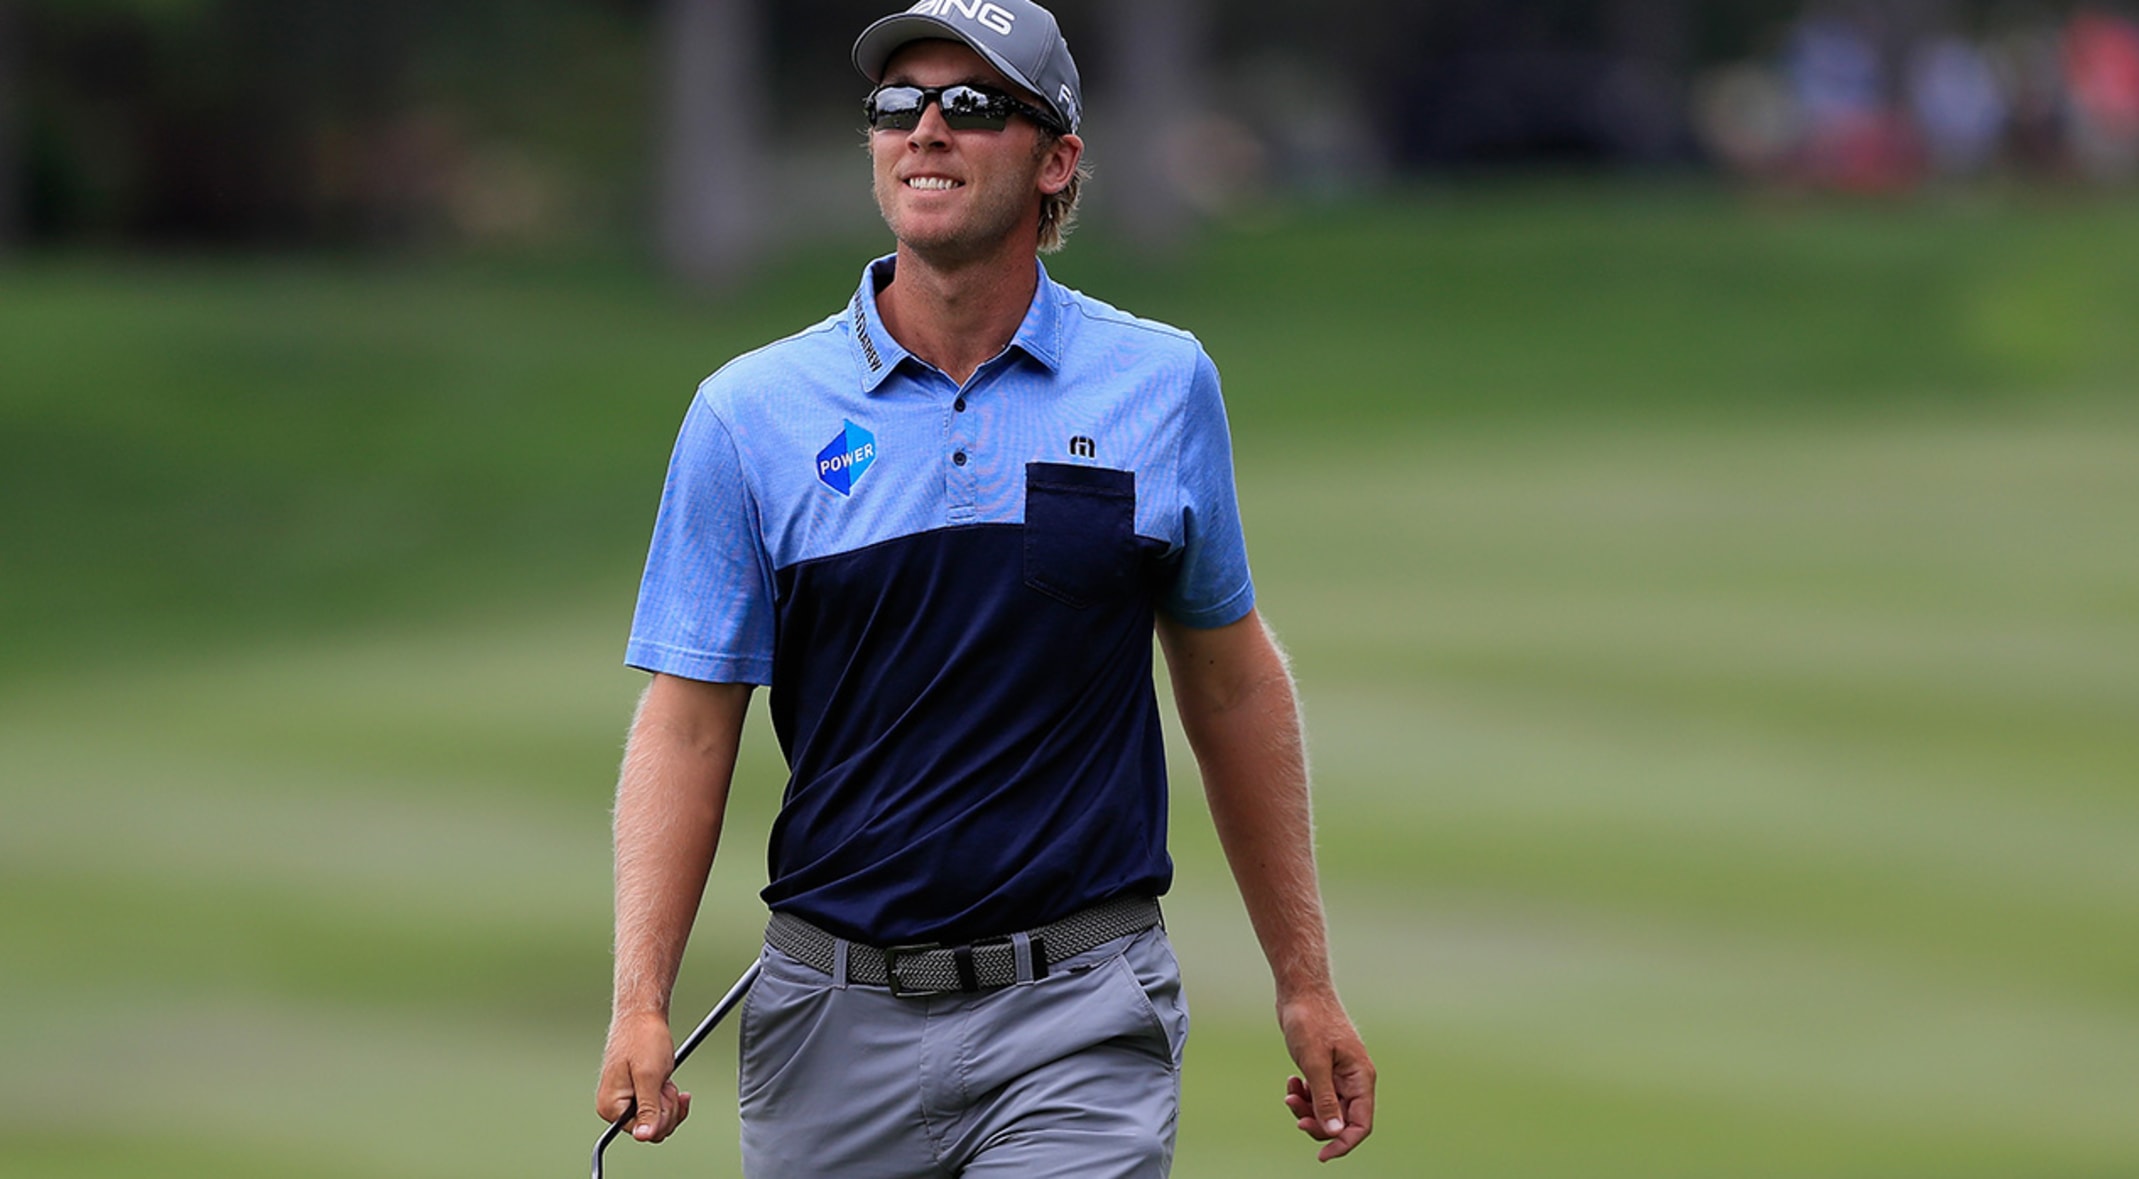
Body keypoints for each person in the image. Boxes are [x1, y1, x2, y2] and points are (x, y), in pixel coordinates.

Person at [594, 1, 1375, 1173]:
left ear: (1056, 161)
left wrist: (1304, 981)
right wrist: (639, 997)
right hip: (829, 1021)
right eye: (896, 106)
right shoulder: (750, 413)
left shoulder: (1160, 385)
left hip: (1079, 1009)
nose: (926, 130)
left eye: (970, 106)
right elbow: (689, 725)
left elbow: (1230, 685)